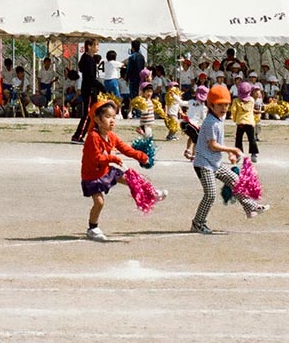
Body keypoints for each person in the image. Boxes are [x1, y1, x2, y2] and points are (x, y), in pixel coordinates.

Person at [191, 84, 269, 233]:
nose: (224, 108)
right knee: (211, 194)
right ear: (210, 104)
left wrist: (229, 153)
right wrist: (232, 149)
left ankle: (250, 207)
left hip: (214, 162)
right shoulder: (210, 122)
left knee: (236, 180)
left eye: (226, 104)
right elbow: (213, 145)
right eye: (220, 105)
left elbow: (217, 144)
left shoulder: (219, 119)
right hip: (204, 164)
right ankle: (198, 223)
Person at [80, 101, 161, 242]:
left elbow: (126, 149)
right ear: (97, 119)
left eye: (114, 116)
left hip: (106, 170)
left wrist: (141, 157)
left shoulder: (111, 136)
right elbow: (96, 158)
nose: (112, 121)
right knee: (99, 202)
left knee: (132, 179)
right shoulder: (93, 137)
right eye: (107, 117)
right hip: (92, 175)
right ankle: (92, 228)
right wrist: (114, 158)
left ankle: (152, 193)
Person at [71, 38, 102, 143]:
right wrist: (101, 86)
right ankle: (78, 136)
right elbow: (90, 78)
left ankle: (94, 134)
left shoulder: (89, 59)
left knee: (94, 113)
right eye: (96, 45)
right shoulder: (87, 60)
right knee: (87, 113)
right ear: (89, 46)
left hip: (91, 89)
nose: (97, 47)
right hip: (89, 89)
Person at [230, 80, 258, 162]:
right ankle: (254, 154)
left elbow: (233, 111)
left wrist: (235, 119)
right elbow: (252, 110)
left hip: (240, 122)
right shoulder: (252, 100)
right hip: (250, 122)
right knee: (251, 139)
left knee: (239, 139)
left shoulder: (236, 101)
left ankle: (238, 154)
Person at [181, 85, 208, 161]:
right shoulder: (203, 106)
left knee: (192, 136)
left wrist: (175, 97)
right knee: (197, 139)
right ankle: (194, 155)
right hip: (193, 124)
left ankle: (187, 150)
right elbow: (204, 118)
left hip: (185, 123)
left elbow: (182, 103)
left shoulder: (191, 102)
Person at [124, 40, 145, 112]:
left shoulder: (132, 57)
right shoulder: (142, 57)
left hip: (133, 79)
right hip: (141, 79)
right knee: (140, 95)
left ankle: (135, 111)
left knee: (133, 96)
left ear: (132, 47)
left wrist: (126, 78)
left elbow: (129, 69)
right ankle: (140, 111)